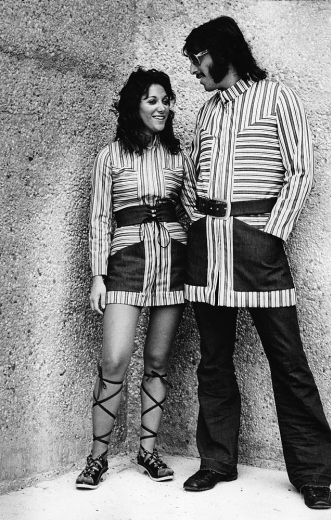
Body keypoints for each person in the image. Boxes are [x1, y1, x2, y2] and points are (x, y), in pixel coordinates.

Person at [181, 16, 331, 510]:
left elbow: (300, 169)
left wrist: (271, 235)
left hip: (257, 242)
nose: (194, 70)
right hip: (209, 248)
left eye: (198, 58)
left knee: (288, 361)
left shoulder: (277, 97)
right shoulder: (206, 112)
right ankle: (217, 460)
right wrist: (196, 224)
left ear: (223, 53)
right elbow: (190, 175)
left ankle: (312, 473)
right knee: (213, 359)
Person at [76, 67, 194, 489]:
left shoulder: (181, 154)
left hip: (173, 261)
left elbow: (192, 208)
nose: (161, 107)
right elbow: (99, 218)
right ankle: (97, 458)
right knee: (115, 360)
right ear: (134, 105)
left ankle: (148, 451)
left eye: (166, 100)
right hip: (126, 261)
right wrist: (98, 276)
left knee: (158, 362)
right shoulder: (111, 155)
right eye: (152, 100)